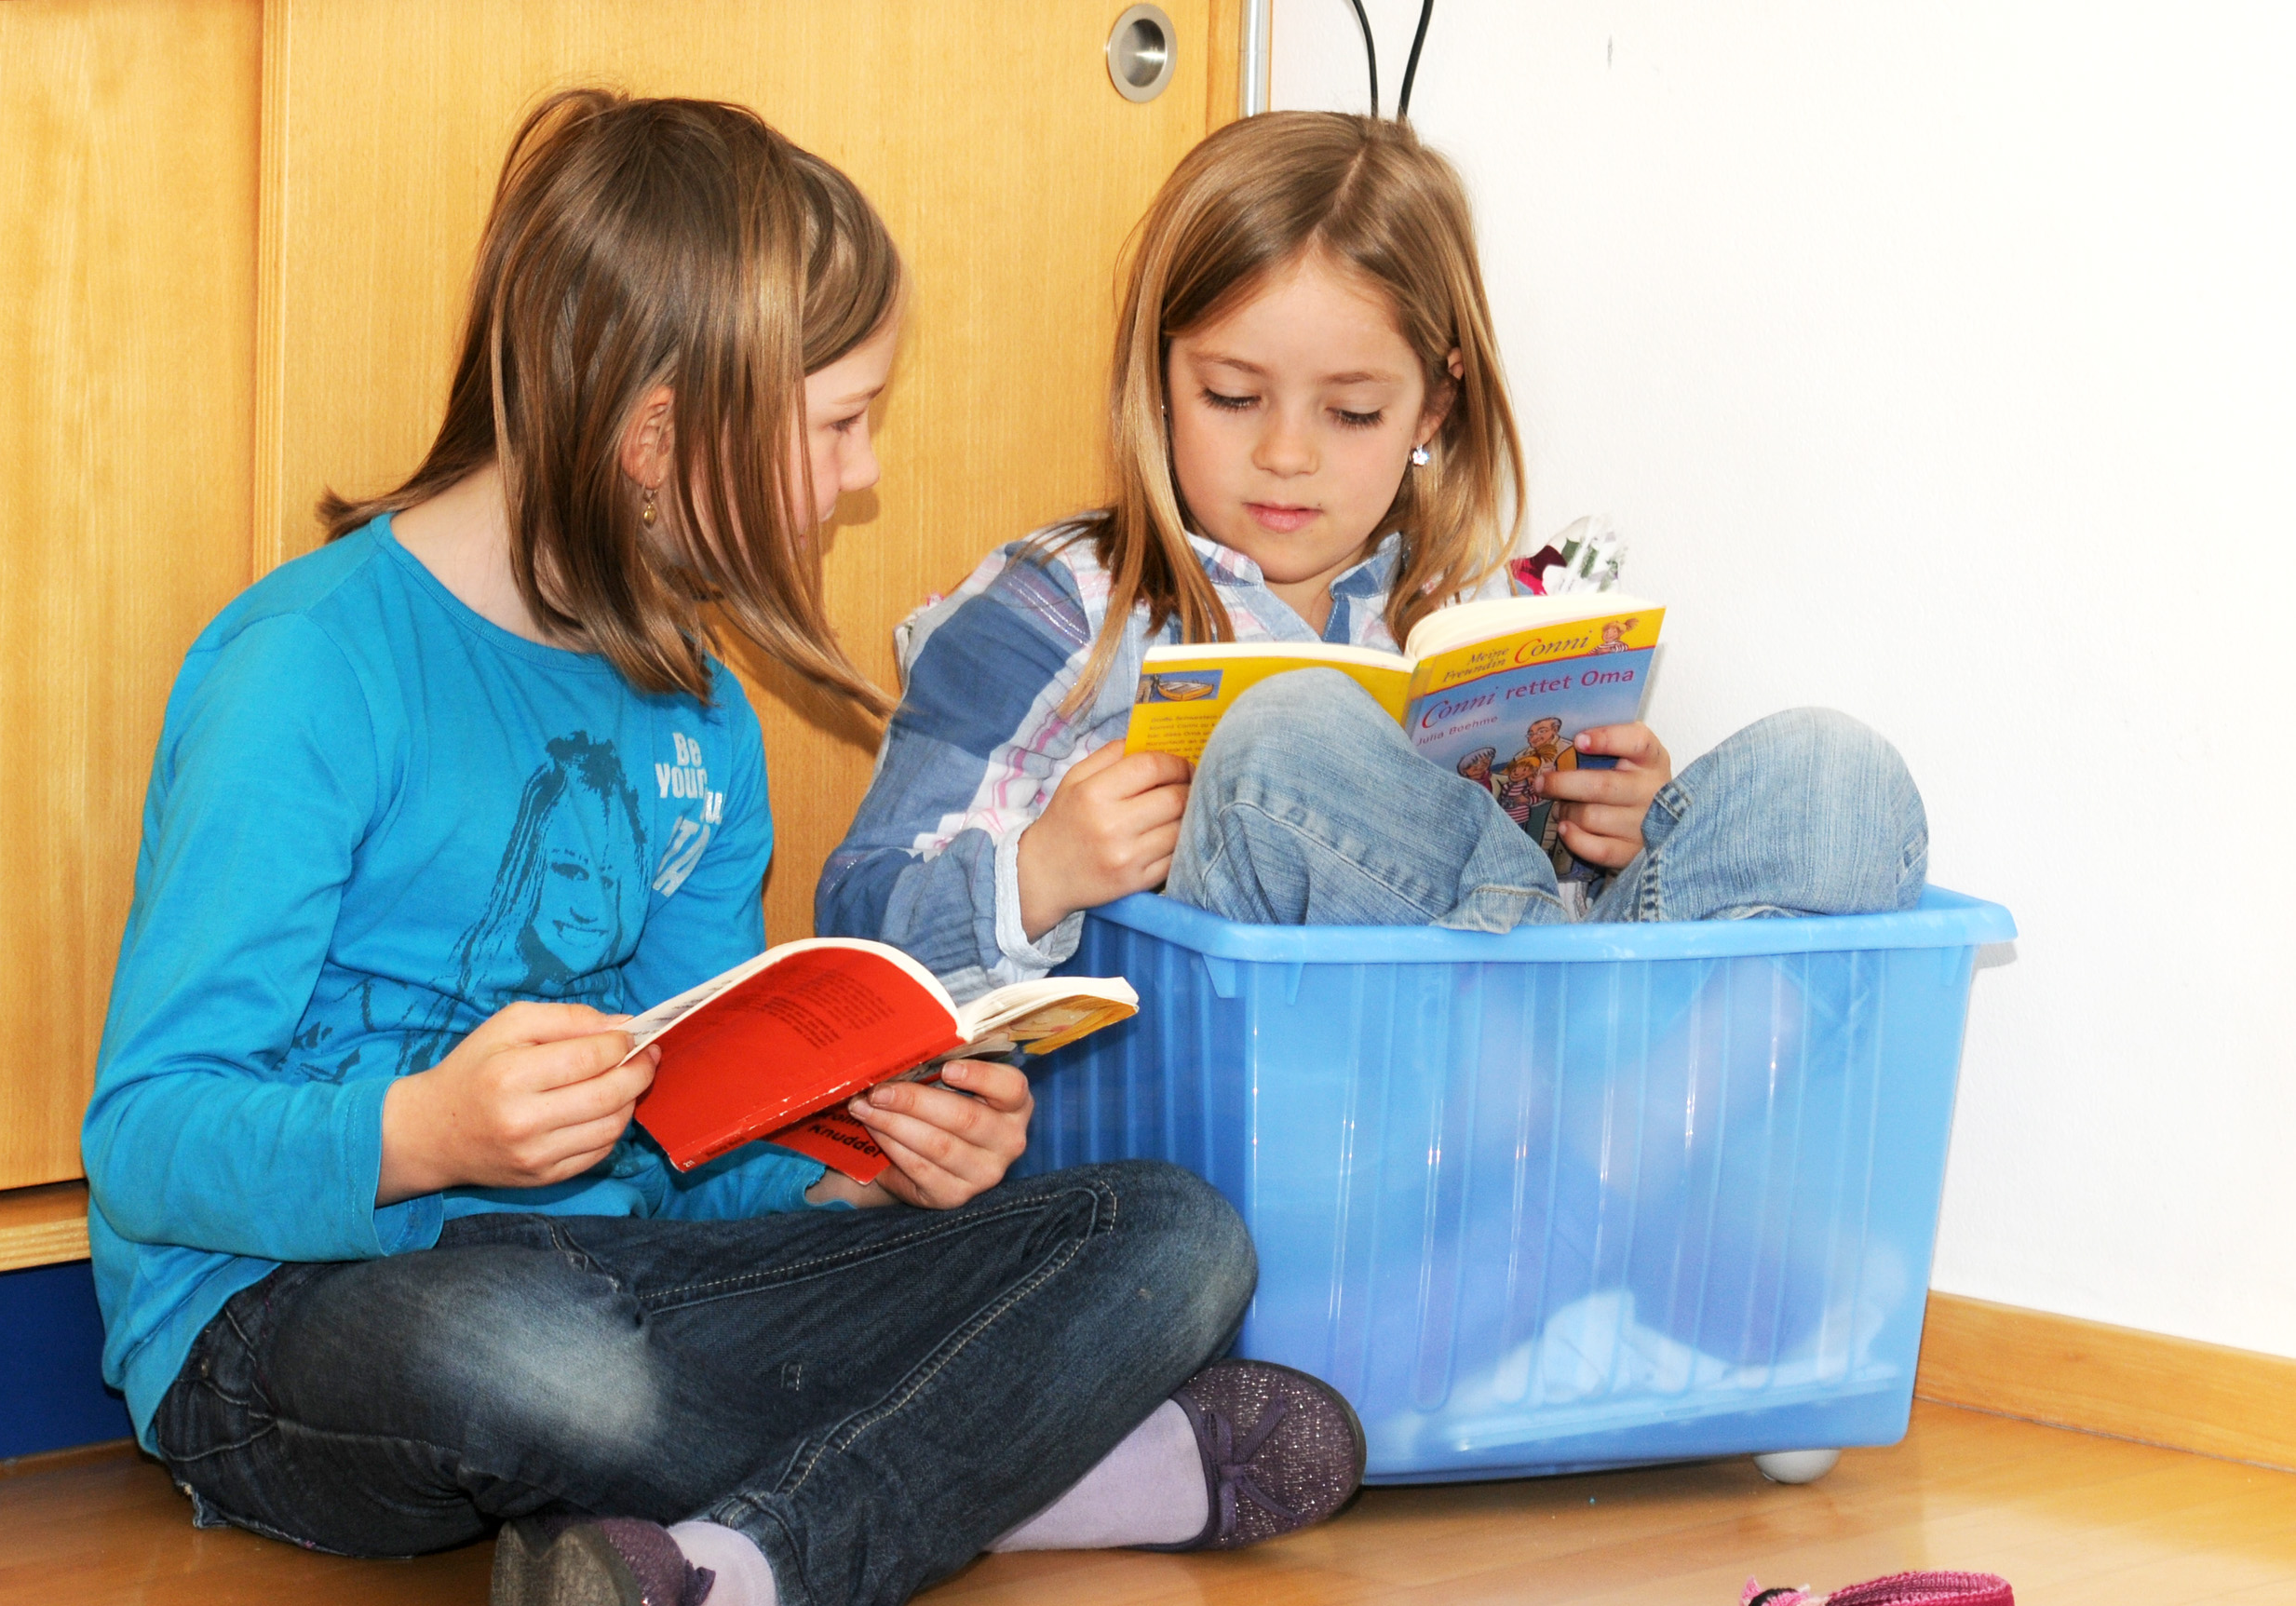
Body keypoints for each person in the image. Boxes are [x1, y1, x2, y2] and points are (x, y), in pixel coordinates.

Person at [82, 92, 1364, 1606]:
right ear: (659, 437)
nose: (860, 474)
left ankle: (743, 1570)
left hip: (639, 1284)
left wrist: (872, 1165)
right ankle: (1015, 1476)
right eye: (837, 423)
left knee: (1172, 1236)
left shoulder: (700, 717)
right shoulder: (309, 668)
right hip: (293, 1314)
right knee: (537, 1356)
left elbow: (705, 1144)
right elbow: (145, 1139)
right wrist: (428, 1131)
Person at [817, 112, 1923, 988]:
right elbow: (852, 928)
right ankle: (1559, 1024)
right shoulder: (1058, 605)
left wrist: (1618, 837)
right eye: (1231, 395)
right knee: (1287, 731)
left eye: (1350, 413)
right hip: (1278, 1102)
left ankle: (1581, 1032)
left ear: (1432, 406)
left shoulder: (1469, 619)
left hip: (1510, 1077)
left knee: (1837, 780)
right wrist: (1039, 871)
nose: (1285, 454)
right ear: (1157, 376)